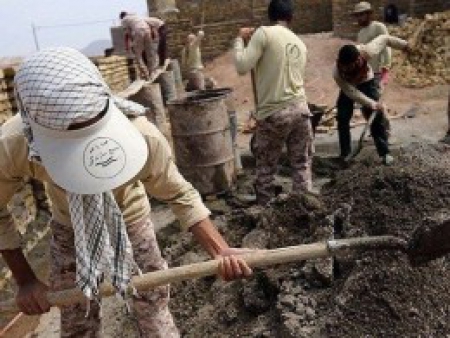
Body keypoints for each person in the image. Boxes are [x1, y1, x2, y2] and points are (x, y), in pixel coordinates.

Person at [0, 47, 252, 337]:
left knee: (152, 307)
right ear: (36, 127)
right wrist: (25, 280)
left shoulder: (140, 135)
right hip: (68, 225)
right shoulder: (14, 145)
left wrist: (220, 250)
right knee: (76, 318)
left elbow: (179, 193)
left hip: (131, 218)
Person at [234, 0, 314, 206]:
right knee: (301, 165)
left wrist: (239, 40)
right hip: (301, 110)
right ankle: (303, 210)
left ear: (269, 16)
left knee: (266, 168)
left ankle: (265, 213)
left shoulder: (264, 33)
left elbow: (242, 66)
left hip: (275, 113)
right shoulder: (300, 43)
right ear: (291, 18)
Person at [333, 34, 412, 165]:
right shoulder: (336, 72)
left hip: (366, 81)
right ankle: (345, 154)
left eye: (351, 66)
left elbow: (384, 39)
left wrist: (404, 45)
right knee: (342, 117)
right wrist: (371, 103)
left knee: (376, 117)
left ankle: (384, 154)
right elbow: (351, 92)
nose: (348, 69)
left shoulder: (367, 51)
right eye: (345, 67)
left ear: (358, 59)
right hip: (349, 87)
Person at [353, 2, 392, 90]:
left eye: (361, 15)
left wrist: (386, 67)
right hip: (365, 73)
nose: (358, 18)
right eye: (357, 15)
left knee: (375, 99)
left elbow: (387, 45)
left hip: (377, 72)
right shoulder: (360, 33)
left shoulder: (378, 27)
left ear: (369, 14)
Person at [120, 11, 168, 80]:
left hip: (138, 31)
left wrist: (133, 42)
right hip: (147, 30)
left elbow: (128, 32)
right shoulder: (136, 16)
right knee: (149, 52)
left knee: (138, 54)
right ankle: (152, 72)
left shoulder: (124, 20)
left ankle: (145, 74)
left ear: (121, 17)